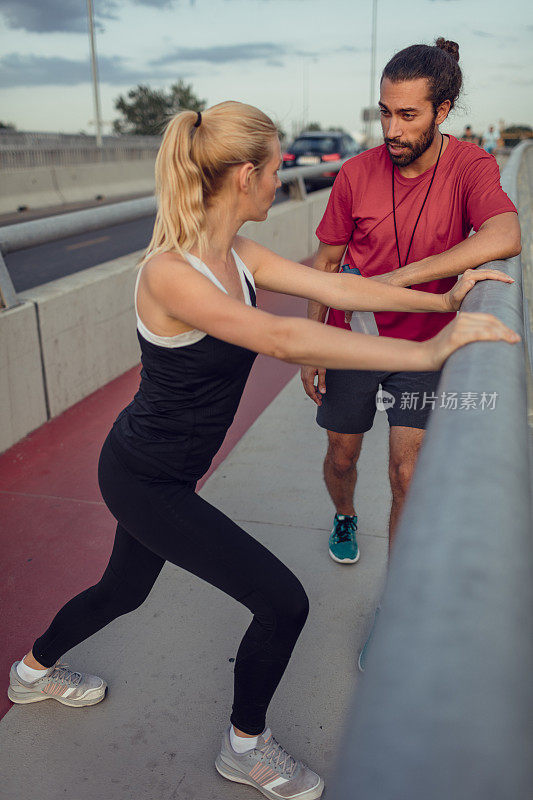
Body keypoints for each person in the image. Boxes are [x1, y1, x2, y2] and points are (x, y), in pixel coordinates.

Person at [7, 101, 518, 800]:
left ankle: (31, 674)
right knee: (282, 602)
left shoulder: (235, 256)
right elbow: (281, 340)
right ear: (245, 174)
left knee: (122, 590)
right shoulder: (172, 274)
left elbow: (333, 285)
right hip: (143, 475)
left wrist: (444, 303)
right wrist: (425, 352)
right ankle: (245, 747)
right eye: (277, 167)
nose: (282, 179)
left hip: (165, 472)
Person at [301, 38, 520, 579]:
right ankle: (345, 514)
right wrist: (313, 345)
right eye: (384, 113)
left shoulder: (471, 165)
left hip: (425, 347)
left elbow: (507, 232)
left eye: (407, 115)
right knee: (342, 457)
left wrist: (396, 279)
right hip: (356, 338)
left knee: (408, 474)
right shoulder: (354, 175)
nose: (392, 129)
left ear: (441, 112)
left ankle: (395, 602)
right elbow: (326, 266)